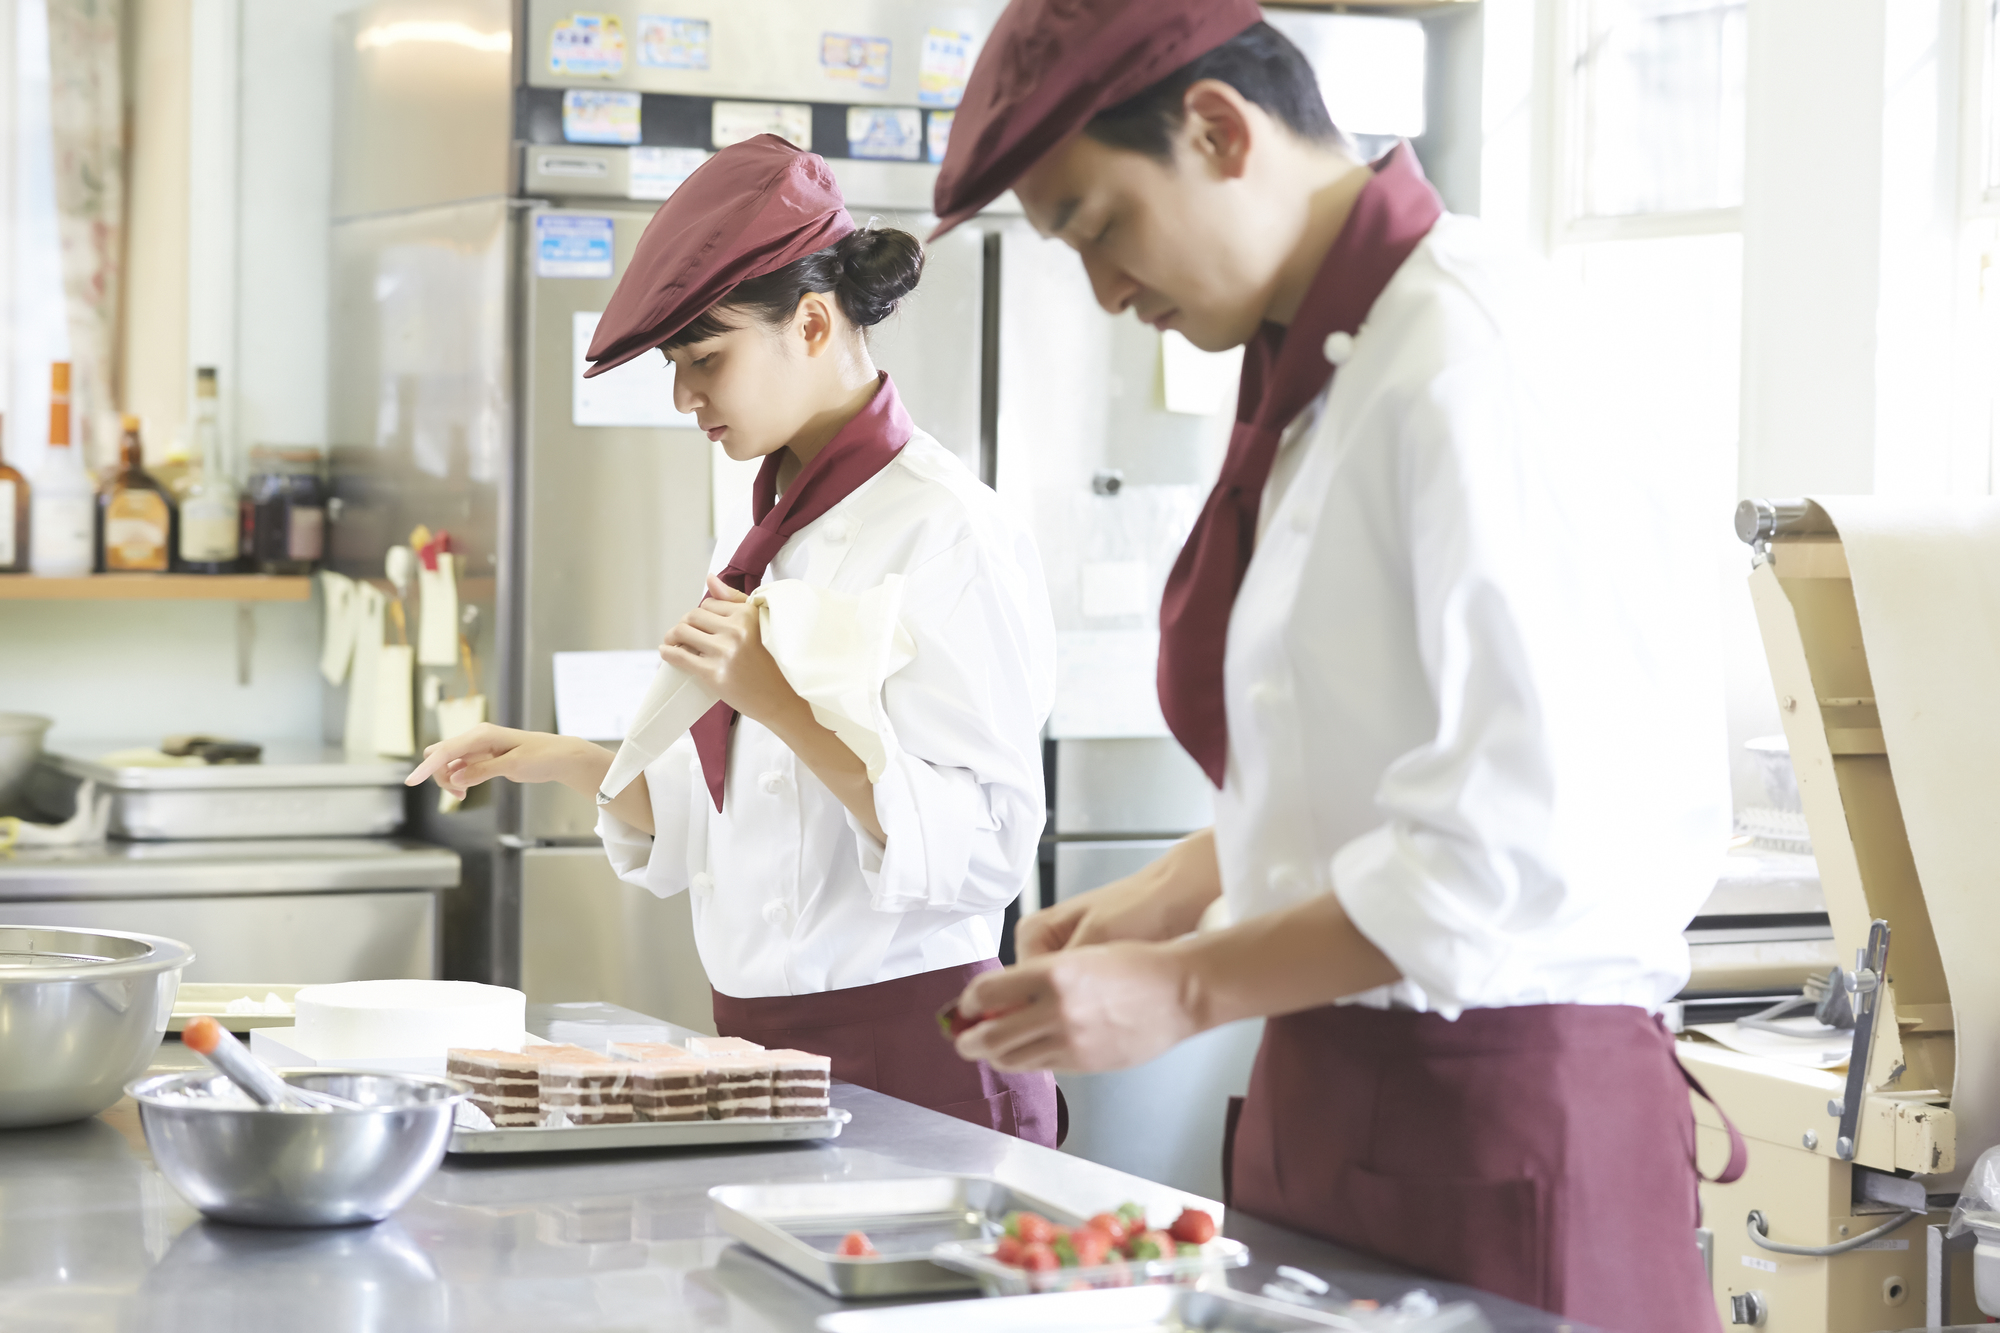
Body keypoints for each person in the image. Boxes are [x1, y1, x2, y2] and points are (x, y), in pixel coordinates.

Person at [926, 3, 1737, 1325]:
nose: (1106, 293)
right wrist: (1186, 884)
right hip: (1339, 1098)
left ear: (1216, 130)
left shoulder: (1474, 353)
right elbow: (1379, 744)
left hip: (1494, 1114)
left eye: (1100, 227)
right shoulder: (1328, 368)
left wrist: (1184, 987)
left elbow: (1513, 840)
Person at [409, 135, 1060, 1147]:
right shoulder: (763, 526)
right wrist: (563, 759)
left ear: (812, 323)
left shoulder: (949, 529)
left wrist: (780, 704)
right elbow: (741, 816)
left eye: (704, 360)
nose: (684, 398)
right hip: (759, 1055)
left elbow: (989, 850)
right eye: (676, 367)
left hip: (916, 1056)